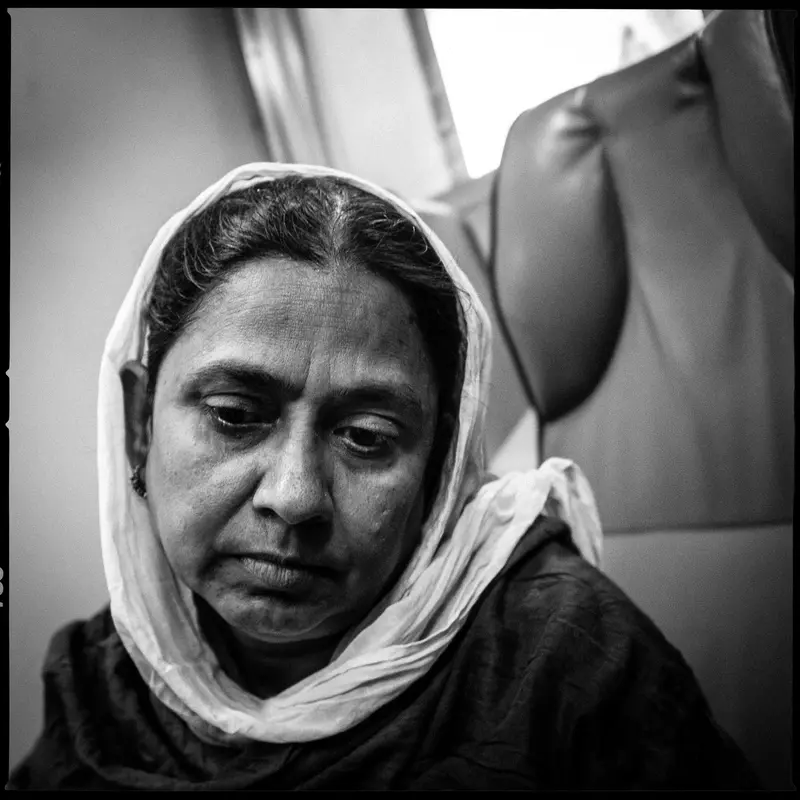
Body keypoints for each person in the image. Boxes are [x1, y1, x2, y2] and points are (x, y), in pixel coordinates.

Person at [7, 163, 760, 790]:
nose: (294, 497)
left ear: (441, 463)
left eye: (367, 438)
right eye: (235, 416)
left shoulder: (568, 660)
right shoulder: (102, 683)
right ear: (140, 422)